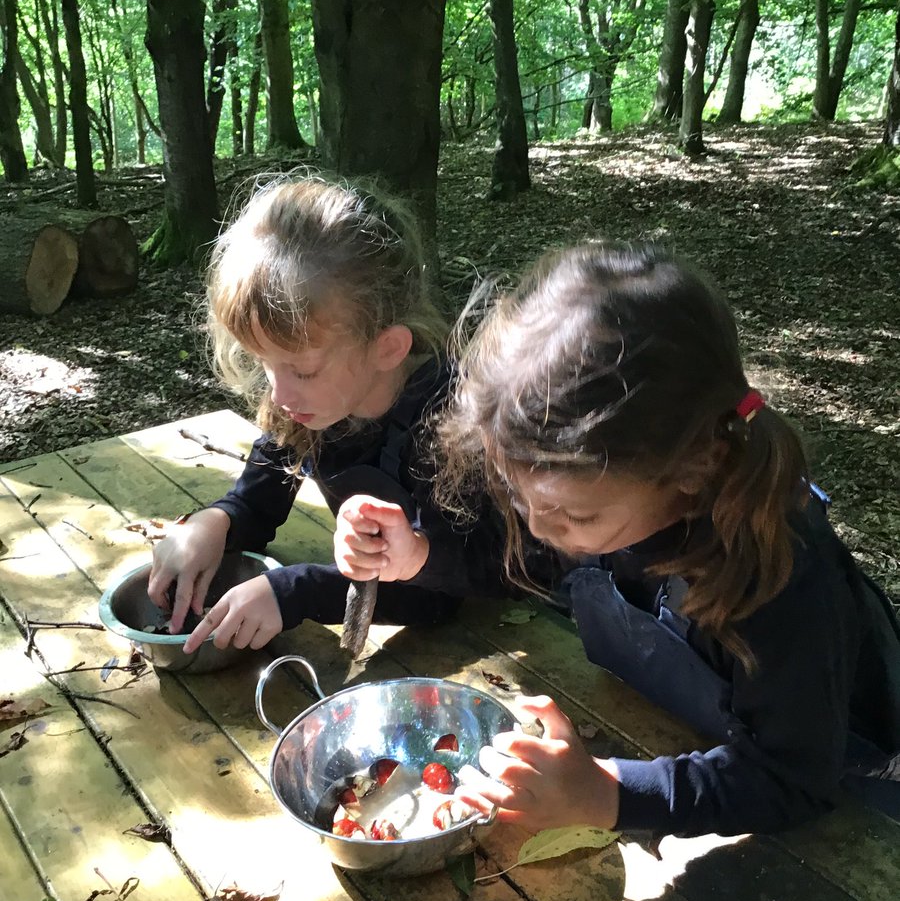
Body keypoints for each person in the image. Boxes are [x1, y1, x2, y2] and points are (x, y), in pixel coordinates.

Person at [346, 241, 900, 836]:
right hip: (692, 744)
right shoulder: (598, 494)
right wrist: (417, 555)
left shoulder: (781, 576)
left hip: (856, 807)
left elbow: (790, 777)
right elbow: (523, 564)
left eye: (572, 518)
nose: (537, 526)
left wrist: (607, 795)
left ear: (690, 471)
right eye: (516, 493)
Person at [148, 175, 503, 654]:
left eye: (302, 371)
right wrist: (215, 524)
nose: (278, 393)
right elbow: (258, 501)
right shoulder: (314, 405)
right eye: (264, 364)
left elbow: (438, 591)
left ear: (388, 348)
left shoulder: (449, 425)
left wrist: (296, 592)